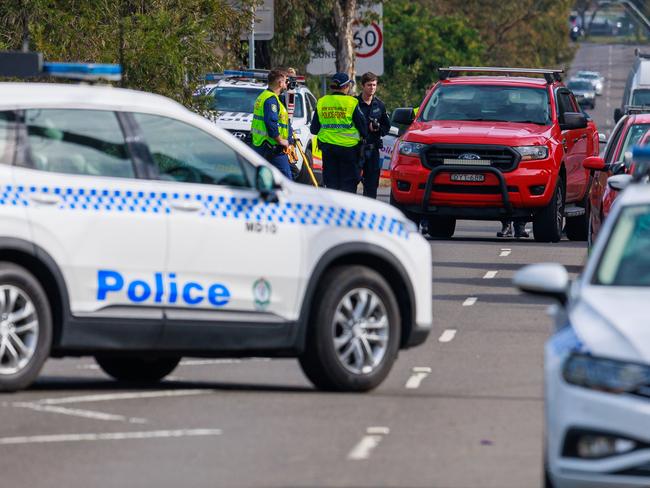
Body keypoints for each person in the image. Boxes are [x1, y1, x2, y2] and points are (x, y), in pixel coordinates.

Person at [310, 72, 367, 192]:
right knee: (349, 186)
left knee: (331, 185)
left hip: (328, 150)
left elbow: (314, 129)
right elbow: (363, 129)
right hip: (349, 150)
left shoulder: (322, 101)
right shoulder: (351, 102)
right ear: (346, 86)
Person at [251, 69, 294, 180]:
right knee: (286, 180)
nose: (286, 84)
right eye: (285, 81)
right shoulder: (271, 100)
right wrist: (281, 141)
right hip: (272, 146)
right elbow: (271, 124)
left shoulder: (264, 96)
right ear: (280, 83)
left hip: (262, 144)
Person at [356, 72, 390, 198]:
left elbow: (387, 126)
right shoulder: (354, 103)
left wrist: (378, 128)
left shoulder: (379, 105)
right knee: (352, 182)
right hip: (356, 149)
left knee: (371, 185)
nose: (372, 88)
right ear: (363, 86)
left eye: (374, 85)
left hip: (372, 149)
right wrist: (365, 127)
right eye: (369, 85)